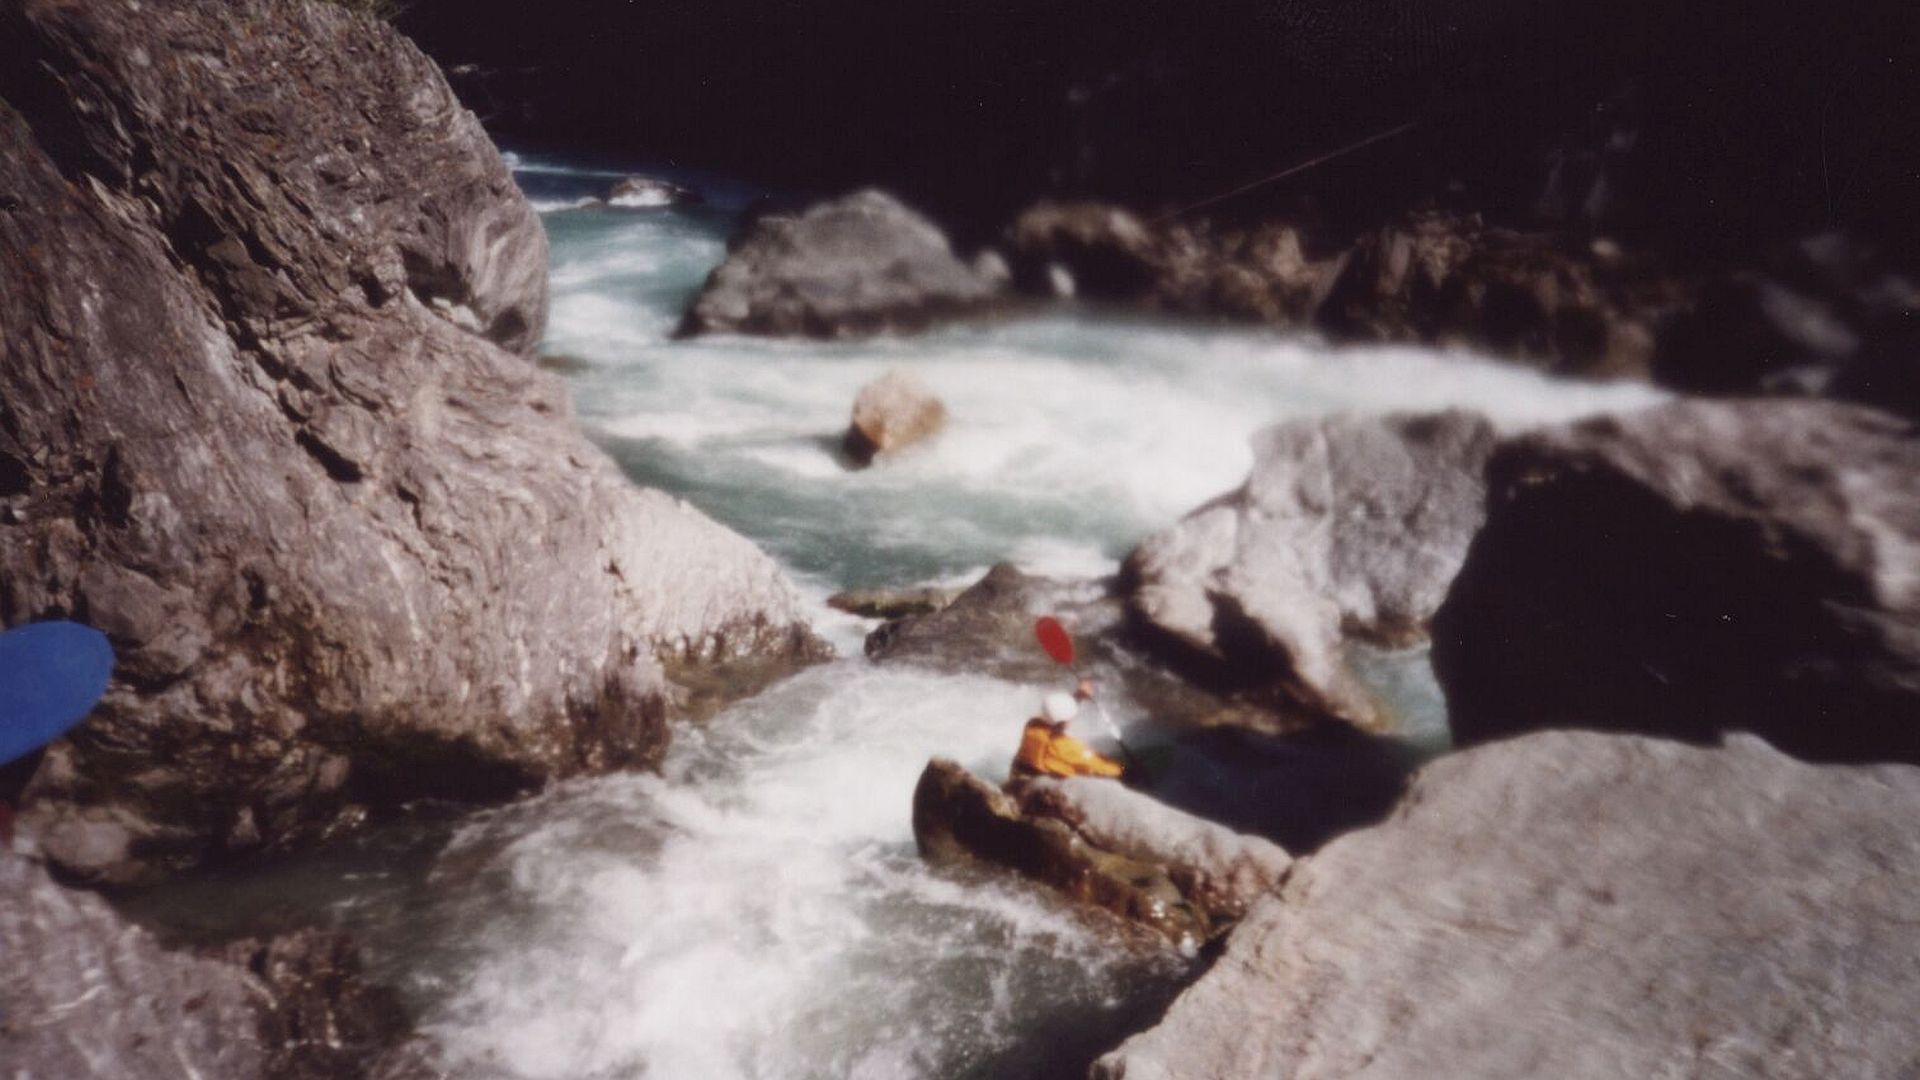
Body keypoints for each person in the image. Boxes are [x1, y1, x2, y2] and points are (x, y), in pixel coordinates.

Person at [1011, 678, 1123, 780]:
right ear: (1064, 723)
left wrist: (1078, 696)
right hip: (1045, 784)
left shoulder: (1032, 725)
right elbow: (1099, 768)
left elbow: (1055, 712)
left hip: (1021, 774)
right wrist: (1123, 770)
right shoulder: (1066, 747)